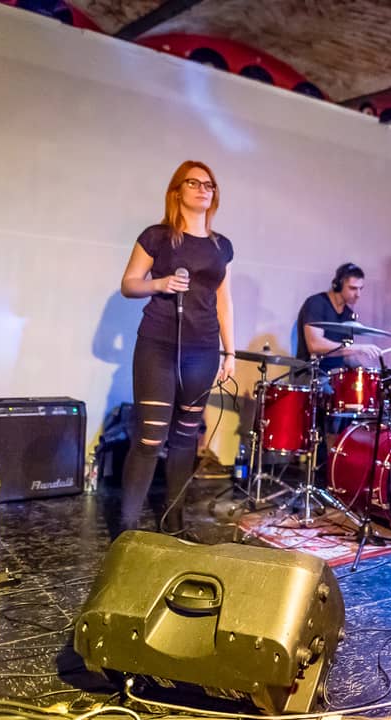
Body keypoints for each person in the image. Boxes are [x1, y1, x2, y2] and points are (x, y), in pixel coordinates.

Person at [118, 160, 236, 536]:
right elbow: (129, 283)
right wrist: (159, 284)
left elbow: (224, 302)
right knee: (150, 437)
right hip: (158, 345)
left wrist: (230, 352)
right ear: (177, 191)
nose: (203, 189)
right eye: (194, 183)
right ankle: (127, 528)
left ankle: (174, 522)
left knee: (186, 438)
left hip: (203, 349)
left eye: (209, 185)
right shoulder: (157, 236)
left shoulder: (221, 247)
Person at [295, 263, 382, 371]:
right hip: (311, 373)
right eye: (353, 288)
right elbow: (315, 345)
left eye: (361, 289)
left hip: (335, 375)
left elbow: (346, 356)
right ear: (338, 285)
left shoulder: (348, 314)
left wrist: (366, 371)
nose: (358, 294)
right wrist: (358, 348)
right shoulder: (316, 303)